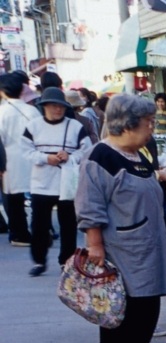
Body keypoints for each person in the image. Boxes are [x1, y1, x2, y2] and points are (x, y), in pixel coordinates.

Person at [76, 95, 166, 343]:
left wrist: (160, 177)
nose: (152, 128)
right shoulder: (100, 157)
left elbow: (137, 182)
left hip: (147, 242)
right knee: (121, 304)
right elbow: (89, 204)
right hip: (121, 245)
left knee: (147, 302)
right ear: (128, 125)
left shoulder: (137, 154)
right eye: (149, 122)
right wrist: (95, 244)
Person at [23, 87, 92, 276]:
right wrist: (46, 158)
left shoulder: (75, 127)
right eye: (53, 106)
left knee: (68, 225)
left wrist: (70, 156)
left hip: (67, 184)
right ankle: (39, 260)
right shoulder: (33, 126)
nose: (58, 110)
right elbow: (26, 151)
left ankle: (66, 261)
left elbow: (86, 150)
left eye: (61, 106)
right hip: (41, 184)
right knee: (39, 225)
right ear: (44, 106)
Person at [0, 74, 36, 246]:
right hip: (33, 156)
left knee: (13, 198)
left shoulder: (2, 111)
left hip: (10, 158)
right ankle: (40, 229)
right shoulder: (32, 110)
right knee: (37, 195)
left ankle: (19, 233)